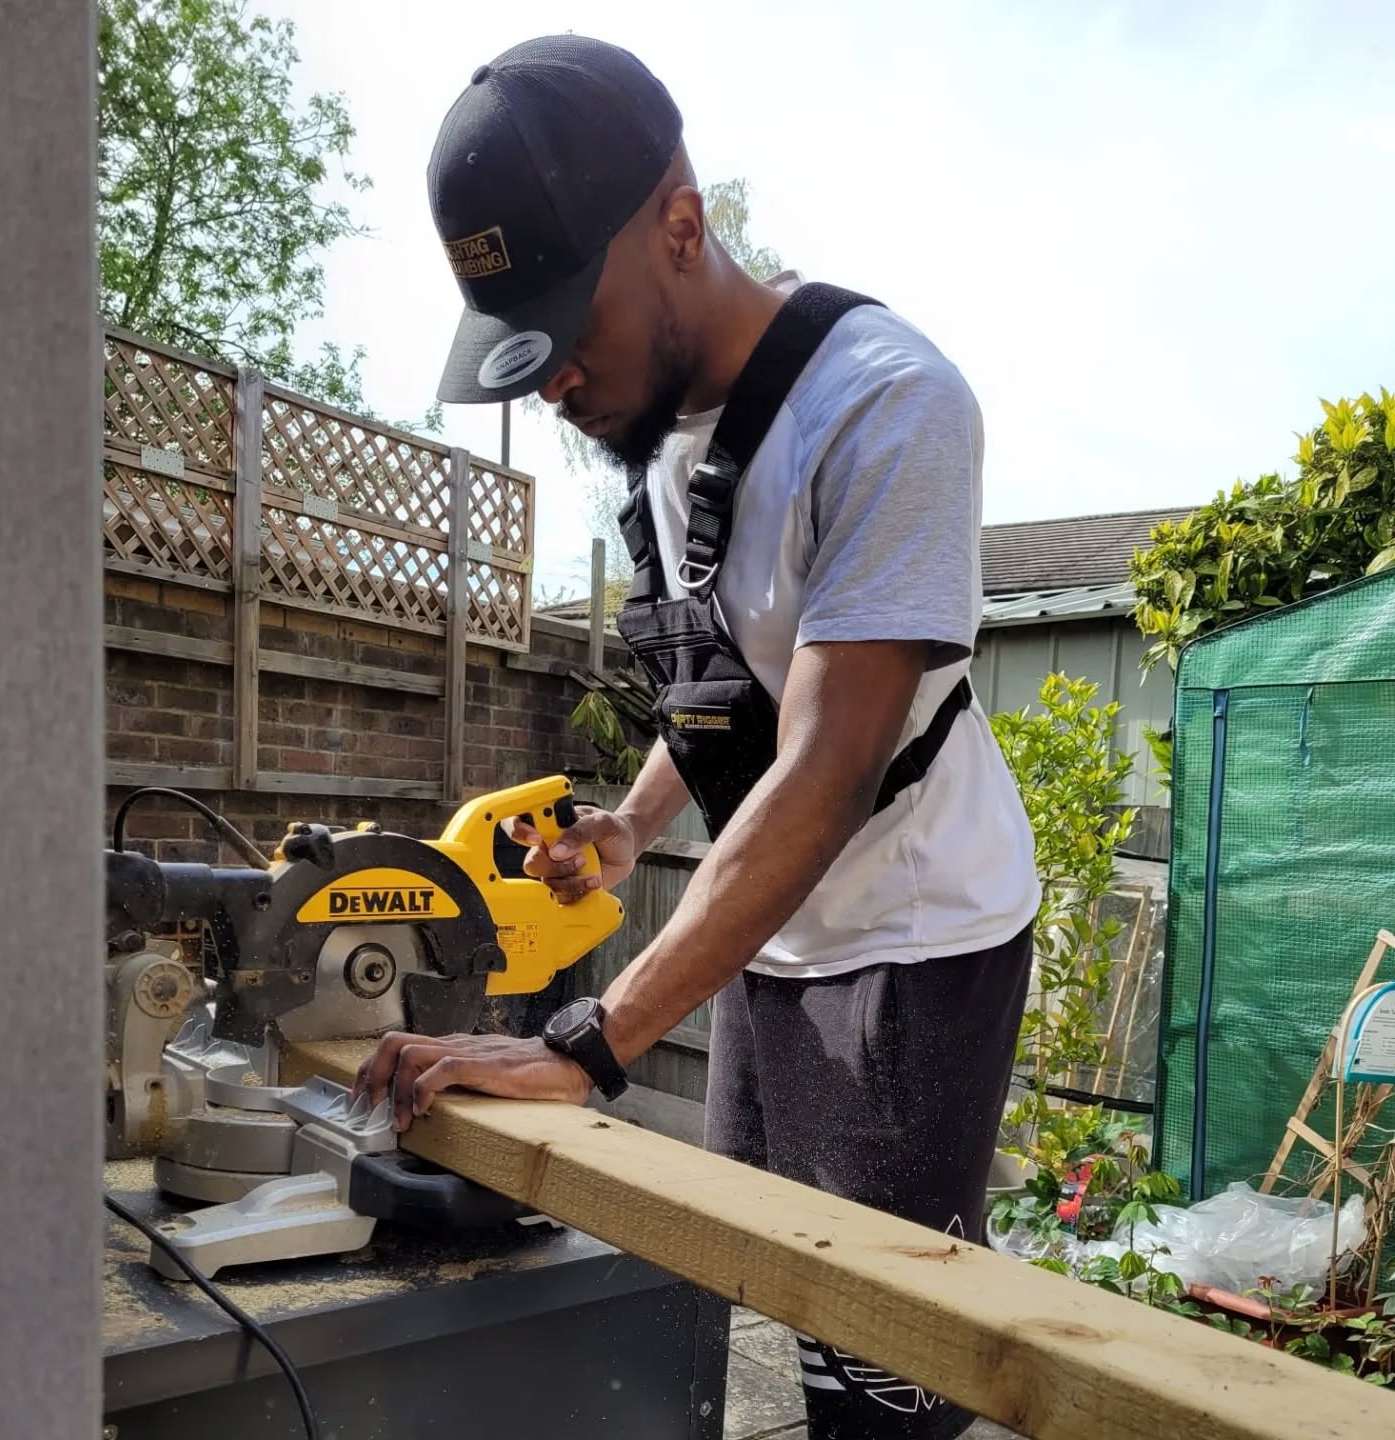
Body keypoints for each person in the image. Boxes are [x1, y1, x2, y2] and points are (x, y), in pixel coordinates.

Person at [355, 33, 1040, 1440]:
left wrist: (590, 1043)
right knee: (705, 1285)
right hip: (770, 941)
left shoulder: (889, 407)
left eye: (568, 328)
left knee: (875, 1376)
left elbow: (831, 762)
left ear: (681, 225)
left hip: (911, 953)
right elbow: (741, 684)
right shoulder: (672, 434)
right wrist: (636, 822)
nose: (551, 384)